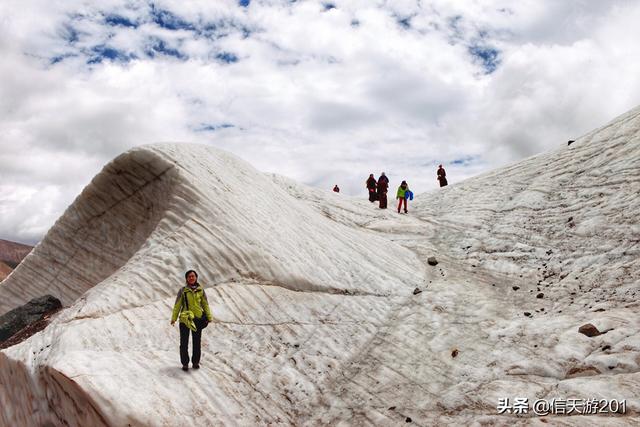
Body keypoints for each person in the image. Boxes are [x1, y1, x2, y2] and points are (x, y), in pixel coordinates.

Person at [171, 270, 213, 371]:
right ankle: (185, 363)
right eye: (189, 276)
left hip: (197, 319)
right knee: (184, 342)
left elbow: (205, 304)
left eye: (193, 276)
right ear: (186, 279)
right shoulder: (183, 291)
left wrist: (209, 316)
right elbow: (177, 305)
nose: (191, 278)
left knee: (196, 342)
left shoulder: (201, 290)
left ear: (196, 277)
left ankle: (195, 362)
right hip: (185, 319)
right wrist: (174, 318)